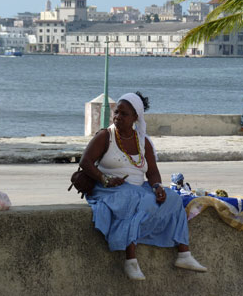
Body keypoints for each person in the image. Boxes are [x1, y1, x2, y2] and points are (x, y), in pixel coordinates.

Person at [79, 92, 207, 281]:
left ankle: (184, 254)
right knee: (136, 199)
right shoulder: (106, 136)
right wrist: (105, 178)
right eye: (116, 112)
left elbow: (152, 172)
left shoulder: (143, 141)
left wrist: (157, 187)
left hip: (138, 189)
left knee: (172, 198)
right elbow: (85, 162)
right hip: (108, 189)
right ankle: (130, 260)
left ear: (135, 117)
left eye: (124, 114)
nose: (117, 117)